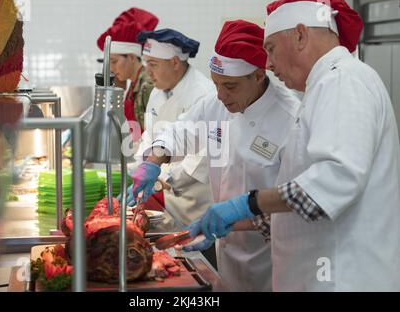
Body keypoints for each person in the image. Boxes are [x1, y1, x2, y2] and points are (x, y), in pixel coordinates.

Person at [190, 0, 400, 291]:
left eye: (271, 49)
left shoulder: (343, 82)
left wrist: (247, 203)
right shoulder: (325, 85)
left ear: (300, 35)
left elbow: (334, 182)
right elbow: (304, 199)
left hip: (342, 278)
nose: (270, 64)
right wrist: (237, 221)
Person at [128, 21, 300, 291]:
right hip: (227, 256)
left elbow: (295, 206)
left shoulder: (291, 119)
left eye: (230, 86)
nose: (220, 95)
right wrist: (152, 162)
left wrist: (235, 219)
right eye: (216, 83)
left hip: (271, 262)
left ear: (257, 75)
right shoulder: (216, 104)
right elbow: (179, 132)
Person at [126, 28, 216, 232]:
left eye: (153, 64)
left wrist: (162, 180)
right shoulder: (158, 92)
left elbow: (201, 156)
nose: (147, 71)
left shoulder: (203, 93)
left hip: (193, 201)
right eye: (146, 62)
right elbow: (150, 135)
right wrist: (141, 169)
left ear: (175, 62)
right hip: (163, 197)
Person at [97, 7, 158, 137]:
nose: (111, 69)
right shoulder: (134, 83)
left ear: (131, 57)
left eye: (114, 62)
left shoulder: (147, 85)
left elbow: (153, 133)